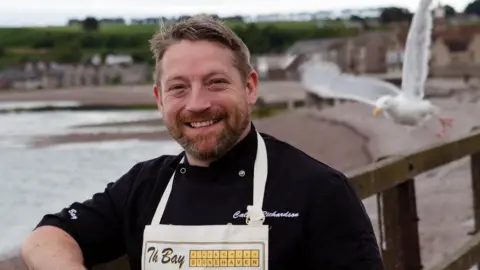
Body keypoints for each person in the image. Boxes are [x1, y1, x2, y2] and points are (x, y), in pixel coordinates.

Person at [21, 15, 384, 270]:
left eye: (215, 82)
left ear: (250, 87)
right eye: (179, 87)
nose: (197, 104)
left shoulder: (319, 191)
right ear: (160, 99)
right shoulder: (145, 187)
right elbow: (45, 238)